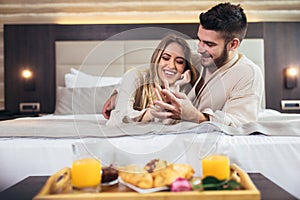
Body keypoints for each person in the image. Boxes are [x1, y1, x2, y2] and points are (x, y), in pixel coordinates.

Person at [103, 2, 264, 127]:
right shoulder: (197, 59)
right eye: (199, 40)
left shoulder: (248, 74)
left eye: (209, 44)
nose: (200, 49)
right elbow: (151, 70)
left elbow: (241, 123)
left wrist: (195, 116)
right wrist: (119, 92)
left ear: (233, 44)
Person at [105, 34, 199, 125]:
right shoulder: (134, 77)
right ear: (157, 59)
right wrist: (152, 113)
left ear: (185, 68)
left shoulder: (187, 88)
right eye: (166, 58)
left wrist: (175, 86)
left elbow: (169, 125)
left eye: (179, 62)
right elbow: (118, 120)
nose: (171, 66)